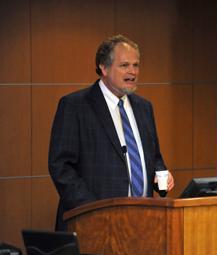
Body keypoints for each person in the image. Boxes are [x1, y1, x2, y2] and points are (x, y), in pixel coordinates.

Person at [48, 35, 174, 231]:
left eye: (136, 65)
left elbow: (154, 156)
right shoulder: (75, 106)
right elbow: (61, 167)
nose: (133, 72)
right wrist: (94, 211)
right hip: (91, 224)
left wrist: (161, 174)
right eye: (124, 65)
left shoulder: (144, 108)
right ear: (103, 68)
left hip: (141, 224)